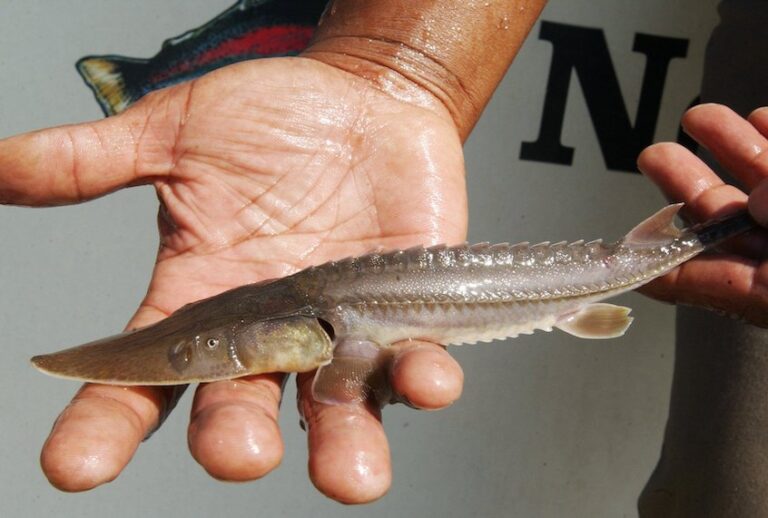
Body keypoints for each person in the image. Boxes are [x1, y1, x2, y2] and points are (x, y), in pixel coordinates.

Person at [1, 1, 765, 508]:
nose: (207, 353)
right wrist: (392, 66)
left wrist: (338, 386)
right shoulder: (314, 309)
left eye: (209, 346)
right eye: (204, 342)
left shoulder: (336, 331)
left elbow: (339, 359)